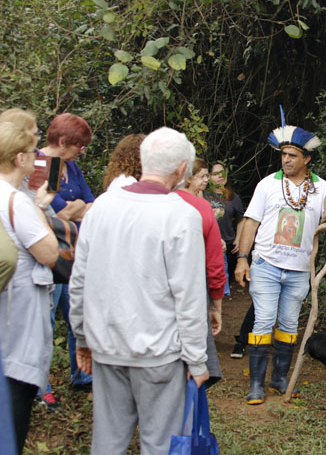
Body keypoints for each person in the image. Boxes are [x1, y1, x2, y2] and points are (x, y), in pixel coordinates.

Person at [69, 127, 209, 454]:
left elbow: (80, 281)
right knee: (160, 444)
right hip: (159, 354)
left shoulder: (101, 207)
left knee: (107, 442)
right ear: (179, 170)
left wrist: (82, 338)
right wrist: (197, 361)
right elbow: (188, 298)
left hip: (107, 348)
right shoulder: (181, 215)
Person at [234, 119, 326, 404]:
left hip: (299, 270)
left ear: (306, 159)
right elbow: (250, 222)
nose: (286, 160)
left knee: (289, 324)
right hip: (266, 264)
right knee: (263, 321)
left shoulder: (321, 188)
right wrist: (243, 259)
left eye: (292, 155)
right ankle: (256, 384)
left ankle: (279, 379)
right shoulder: (267, 184)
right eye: (283, 155)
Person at [0, 121, 59, 453]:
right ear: (19, 158)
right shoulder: (16, 201)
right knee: (13, 412)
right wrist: (39, 206)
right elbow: (49, 252)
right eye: (32, 152)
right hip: (17, 317)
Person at [38, 113, 95, 393]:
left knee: (77, 315)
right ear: (62, 141)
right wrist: (77, 207)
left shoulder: (71, 168)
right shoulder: (39, 166)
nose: (81, 152)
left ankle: (81, 374)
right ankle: (40, 386)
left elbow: (91, 202)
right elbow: (58, 211)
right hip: (50, 253)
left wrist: (76, 207)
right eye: (79, 146)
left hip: (75, 252)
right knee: (45, 323)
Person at [176, 158, 227, 387]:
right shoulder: (201, 207)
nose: (206, 180)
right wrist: (216, 303)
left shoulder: (161, 200)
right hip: (194, 285)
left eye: (208, 176)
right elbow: (215, 261)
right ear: (187, 176)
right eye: (202, 176)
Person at [205, 161, 245, 297]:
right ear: (209, 177)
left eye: (222, 173)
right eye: (216, 174)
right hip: (208, 244)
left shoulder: (233, 197)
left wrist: (238, 239)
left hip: (227, 244)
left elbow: (241, 220)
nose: (221, 176)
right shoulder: (202, 195)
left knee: (223, 280)